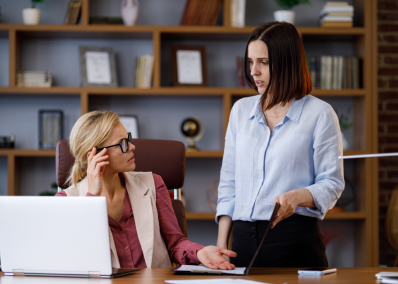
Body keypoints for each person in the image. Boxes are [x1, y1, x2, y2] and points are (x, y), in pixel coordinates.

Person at [215, 22, 345, 268]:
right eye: (251, 61)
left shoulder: (320, 114)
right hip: (241, 242)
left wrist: (295, 197)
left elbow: (332, 184)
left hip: (293, 240)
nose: (254, 71)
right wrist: (222, 245)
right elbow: (229, 182)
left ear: (287, 62)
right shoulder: (240, 111)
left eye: (263, 62)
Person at [56, 110, 236, 269]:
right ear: (95, 155)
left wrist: (200, 253)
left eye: (129, 139)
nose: (133, 146)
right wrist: (92, 197)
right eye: (123, 143)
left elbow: (175, 244)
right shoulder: (66, 201)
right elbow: (76, 260)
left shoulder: (153, 183)